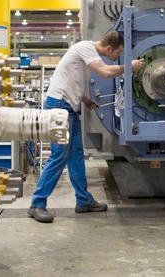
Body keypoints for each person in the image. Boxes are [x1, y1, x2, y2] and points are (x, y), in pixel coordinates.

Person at [28, 31, 144, 223]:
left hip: (68, 107)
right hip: (59, 106)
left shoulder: (88, 53)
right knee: (59, 156)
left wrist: (86, 100)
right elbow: (106, 72)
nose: (118, 57)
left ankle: (83, 201)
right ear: (109, 48)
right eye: (119, 52)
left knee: (75, 155)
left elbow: (72, 80)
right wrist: (129, 67)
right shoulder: (86, 48)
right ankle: (37, 204)